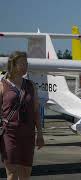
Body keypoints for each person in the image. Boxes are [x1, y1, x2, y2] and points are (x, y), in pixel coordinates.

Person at [0, 51, 45, 180]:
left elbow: (36, 111)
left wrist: (40, 134)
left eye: (26, 63)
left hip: (28, 134)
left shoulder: (31, 86)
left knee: (26, 173)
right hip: (10, 134)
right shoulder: (2, 86)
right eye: (22, 63)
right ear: (13, 65)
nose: (25, 66)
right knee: (12, 173)